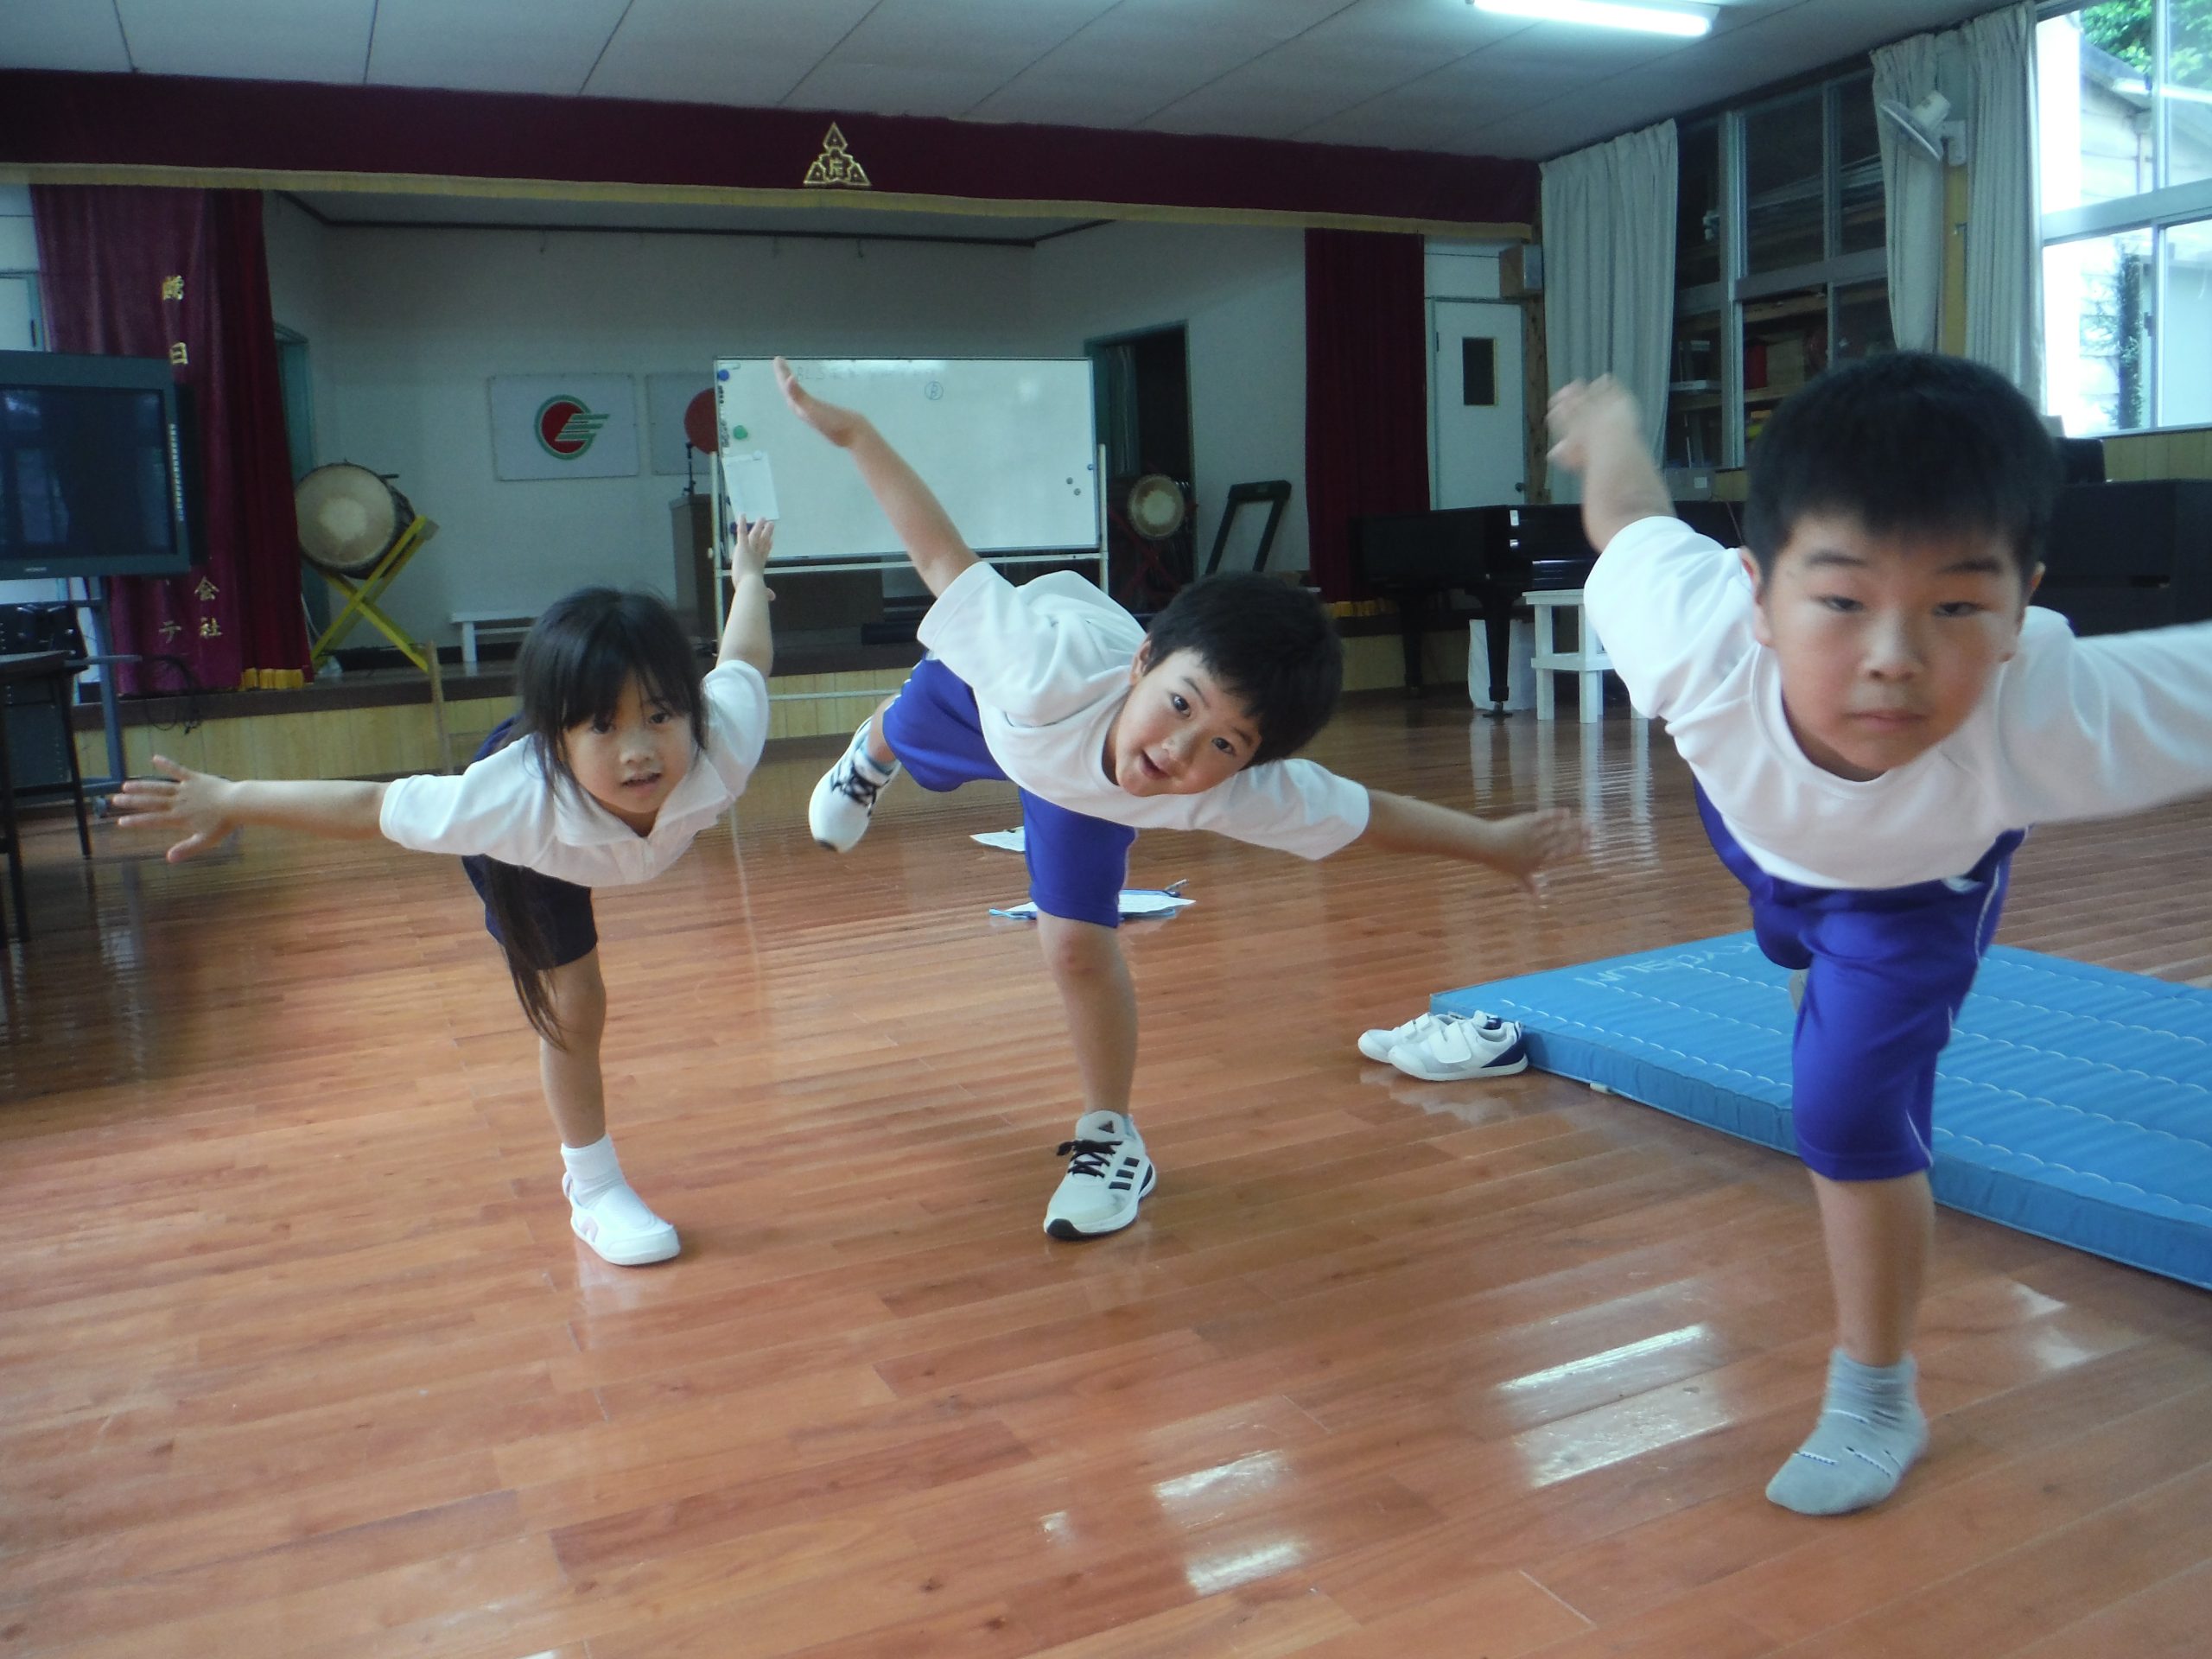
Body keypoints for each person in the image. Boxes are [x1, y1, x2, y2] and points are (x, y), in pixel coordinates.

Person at [1550, 353, 2212, 1515]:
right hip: (1759, 841)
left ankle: (1875, 1393)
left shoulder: (2043, 710)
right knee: (1798, 955)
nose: (1894, 658)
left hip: (1917, 891)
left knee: (1847, 1113)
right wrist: (1609, 423)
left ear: (2022, 609)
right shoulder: (1694, 635)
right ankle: (1819, 982)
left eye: (1957, 605)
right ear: (1757, 595)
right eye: (1843, 601)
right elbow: (1634, 520)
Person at [775, 356, 1586, 1243]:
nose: (1178, 750)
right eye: (1181, 706)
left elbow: (1368, 815)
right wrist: (856, 434)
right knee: (908, 720)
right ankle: (867, 758)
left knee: (1079, 954)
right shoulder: (1028, 669)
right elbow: (938, 551)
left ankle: (1109, 1132)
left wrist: (1493, 845)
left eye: (1223, 745)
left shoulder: (1230, 792)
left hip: (1083, 791)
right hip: (1007, 709)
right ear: (1146, 664)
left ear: (1249, 762)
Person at [113, 522, 780, 1268]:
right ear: (558, 739)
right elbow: (371, 808)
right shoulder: (503, 805)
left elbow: (745, 656)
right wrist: (234, 797)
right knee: (574, 1000)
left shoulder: (723, 739)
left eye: (659, 715)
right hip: (534, 845)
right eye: (602, 725)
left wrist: (748, 573)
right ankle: (592, 1190)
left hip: (582, 814)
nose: (639, 749)